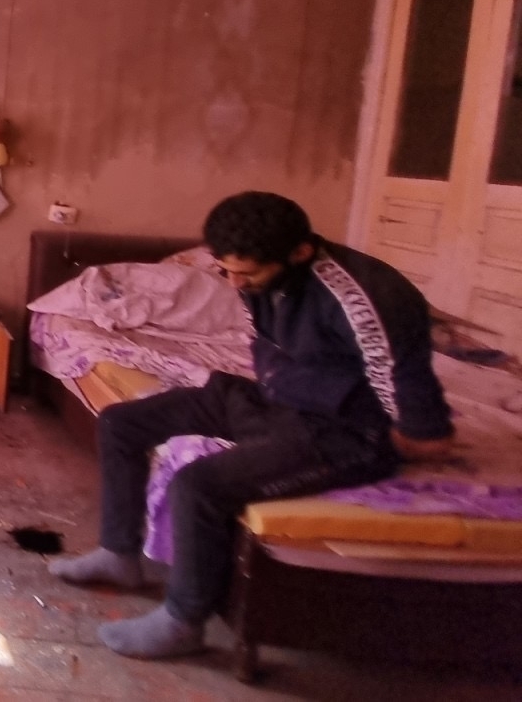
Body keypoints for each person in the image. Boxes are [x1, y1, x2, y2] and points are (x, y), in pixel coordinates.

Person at [47, 191, 453, 659]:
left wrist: (396, 440)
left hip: (343, 429)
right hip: (278, 399)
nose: (236, 283)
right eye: (227, 270)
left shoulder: (365, 300)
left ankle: (184, 622)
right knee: (122, 423)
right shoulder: (260, 276)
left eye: (249, 274)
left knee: (197, 485)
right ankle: (119, 554)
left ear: (300, 252)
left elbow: (421, 423)